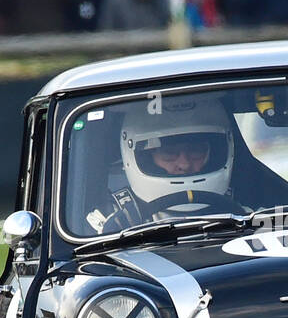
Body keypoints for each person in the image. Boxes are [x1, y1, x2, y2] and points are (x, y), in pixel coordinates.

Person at [90, 97, 247, 234]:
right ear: (145, 157)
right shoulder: (112, 219)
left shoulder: (246, 206)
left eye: (196, 150)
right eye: (169, 153)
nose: (184, 164)